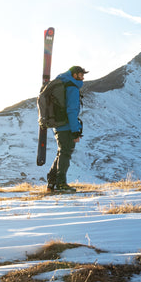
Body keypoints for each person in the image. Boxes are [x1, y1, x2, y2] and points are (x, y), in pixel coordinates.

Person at [46, 65, 87, 193]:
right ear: (74, 74)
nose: (83, 77)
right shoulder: (72, 88)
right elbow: (72, 110)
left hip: (59, 125)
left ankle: (51, 183)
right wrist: (75, 131)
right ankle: (61, 184)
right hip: (67, 126)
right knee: (65, 153)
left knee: (61, 153)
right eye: (81, 75)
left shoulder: (62, 84)